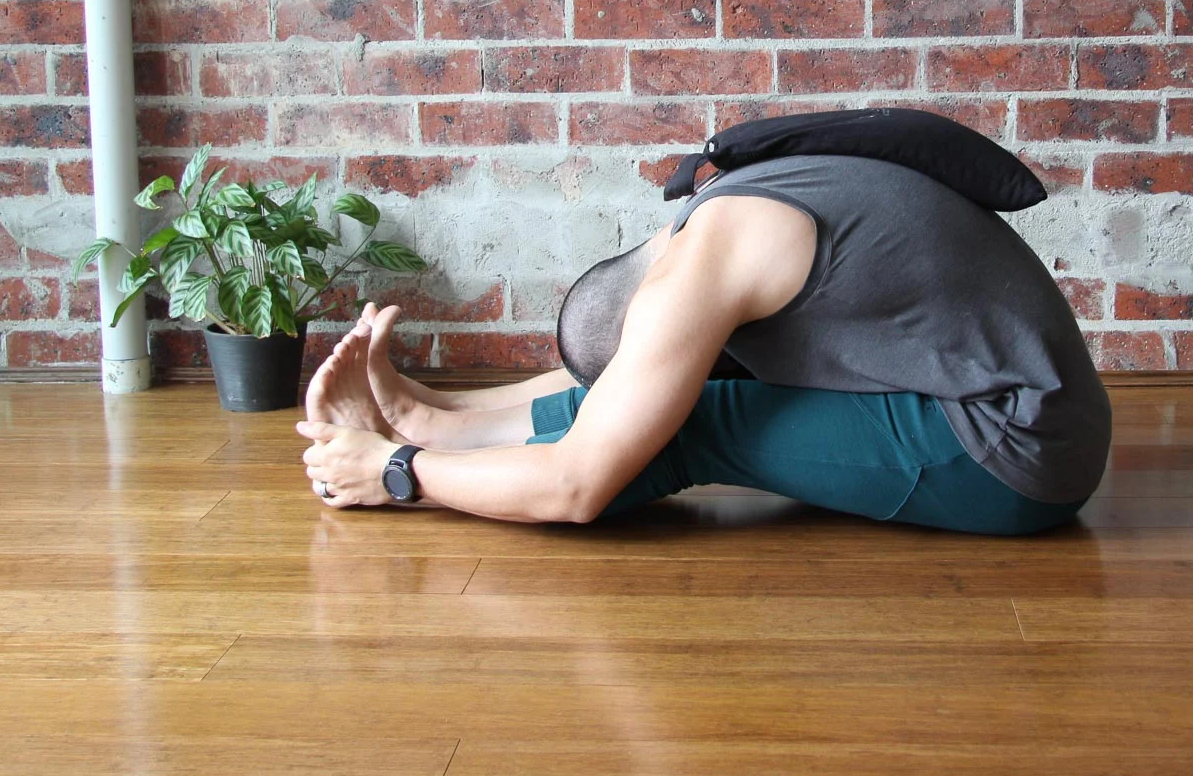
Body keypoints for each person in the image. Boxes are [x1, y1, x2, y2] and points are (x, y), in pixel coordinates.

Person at [300, 154, 1112, 535]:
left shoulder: (702, 279)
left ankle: (421, 456)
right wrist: (426, 410)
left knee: (684, 419)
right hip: (1008, 385)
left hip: (1020, 449)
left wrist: (397, 474)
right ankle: (432, 422)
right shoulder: (714, 214)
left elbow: (577, 485)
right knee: (662, 396)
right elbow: (630, 369)